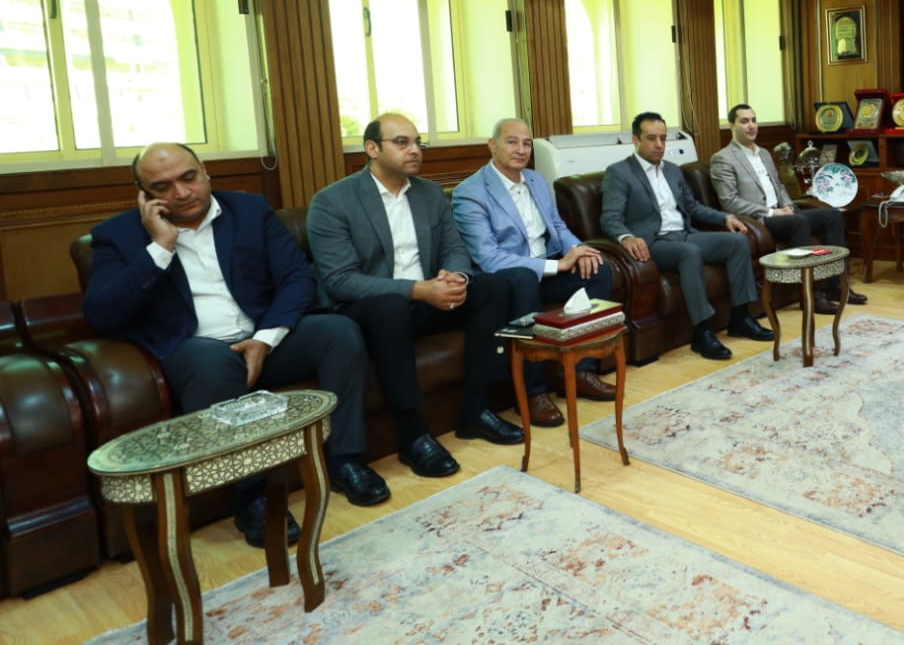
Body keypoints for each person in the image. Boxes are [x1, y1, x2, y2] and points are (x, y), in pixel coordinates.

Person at [82, 143, 386, 548]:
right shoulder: (116, 236)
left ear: (205, 171)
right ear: (143, 194)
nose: (181, 192)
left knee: (339, 332)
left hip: (264, 337)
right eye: (162, 187)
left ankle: (345, 460)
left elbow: (297, 277)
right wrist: (160, 247)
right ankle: (252, 498)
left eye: (188, 178)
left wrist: (264, 338)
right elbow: (102, 315)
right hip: (195, 349)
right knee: (213, 362)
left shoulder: (249, 210)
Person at [307, 113, 524, 480]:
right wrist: (417, 289)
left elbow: (454, 249)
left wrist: (455, 277)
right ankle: (413, 434)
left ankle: (476, 409)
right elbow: (341, 281)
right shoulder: (333, 201)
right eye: (401, 142)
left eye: (417, 142)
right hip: (370, 309)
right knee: (391, 307)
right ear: (372, 148)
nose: (414, 150)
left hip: (427, 300)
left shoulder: (429, 193)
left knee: (494, 285)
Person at [452, 117, 617, 415]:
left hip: (547, 267)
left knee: (597, 268)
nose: (521, 149)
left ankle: (581, 372)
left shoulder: (536, 180)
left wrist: (578, 250)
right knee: (525, 278)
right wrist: (558, 266)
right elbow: (488, 258)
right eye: (512, 142)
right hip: (509, 279)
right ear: (492, 145)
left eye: (526, 143)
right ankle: (532, 392)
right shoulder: (471, 192)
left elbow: (558, 226)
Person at [600, 112, 774, 360]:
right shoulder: (619, 172)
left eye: (663, 138)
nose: (659, 144)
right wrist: (626, 237)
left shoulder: (672, 170)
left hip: (685, 234)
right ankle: (702, 332)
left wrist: (725, 218)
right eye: (651, 138)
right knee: (689, 253)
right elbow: (610, 218)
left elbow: (692, 208)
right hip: (654, 243)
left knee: (737, 242)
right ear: (635, 140)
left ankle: (740, 317)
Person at [710, 103, 868, 315]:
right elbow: (729, 202)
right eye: (744, 121)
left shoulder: (764, 154)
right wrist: (772, 212)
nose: (751, 126)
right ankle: (810, 295)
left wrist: (788, 205)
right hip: (760, 220)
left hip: (782, 213)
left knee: (832, 215)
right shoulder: (723, 158)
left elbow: (779, 186)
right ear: (732, 126)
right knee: (798, 222)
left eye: (754, 120)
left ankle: (837, 286)